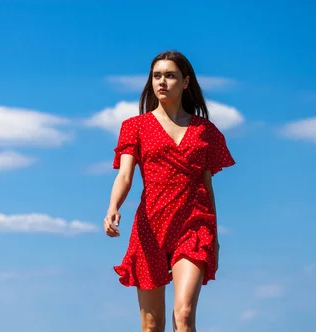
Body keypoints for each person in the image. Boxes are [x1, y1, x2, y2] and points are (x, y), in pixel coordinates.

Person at [104, 50, 236, 332]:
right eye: (157, 76)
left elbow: (207, 186)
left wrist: (214, 235)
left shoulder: (205, 131)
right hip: (150, 225)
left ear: (186, 82)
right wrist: (113, 206)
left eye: (170, 75)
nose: (162, 82)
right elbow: (125, 175)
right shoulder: (135, 126)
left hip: (193, 226)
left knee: (184, 316)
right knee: (152, 326)